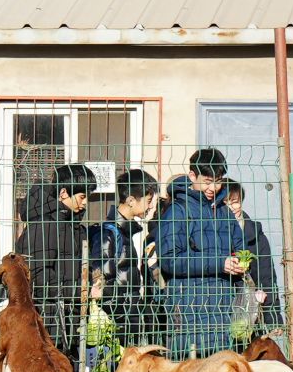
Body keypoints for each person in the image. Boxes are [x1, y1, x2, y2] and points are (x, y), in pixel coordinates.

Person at [152, 149, 248, 357]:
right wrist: (220, 263)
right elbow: (169, 260)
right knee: (187, 369)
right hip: (188, 308)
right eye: (207, 182)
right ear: (192, 176)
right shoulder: (177, 211)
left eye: (218, 181)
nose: (213, 188)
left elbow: (241, 247)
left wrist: (241, 261)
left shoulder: (224, 212)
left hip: (222, 308)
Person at [15, 162, 97, 354]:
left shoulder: (73, 226)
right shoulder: (44, 225)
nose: (85, 202)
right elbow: (38, 275)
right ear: (63, 193)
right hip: (48, 322)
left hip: (69, 320)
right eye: (82, 196)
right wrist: (80, 291)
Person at [92, 166, 165, 350]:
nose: (151, 206)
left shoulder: (125, 233)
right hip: (117, 329)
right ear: (131, 200)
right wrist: (124, 316)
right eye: (148, 201)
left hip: (128, 324)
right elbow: (101, 287)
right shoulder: (109, 234)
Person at [222, 179, 280, 336]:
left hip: (250, 310)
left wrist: (273, 318)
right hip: (220, 309)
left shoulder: (255, 234)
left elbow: (266, 276)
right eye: (226, 202)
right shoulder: (211, 232)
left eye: (235, 202)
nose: (231, 208)